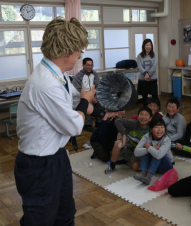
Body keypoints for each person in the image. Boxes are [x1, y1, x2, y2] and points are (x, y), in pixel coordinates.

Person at [14, 17, 116, 225]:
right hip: (38, 163)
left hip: (57, 157)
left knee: (65, 214)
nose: (80, 55)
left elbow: (76, 104)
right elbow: (74, 125)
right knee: (40, 220)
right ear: (68, 51)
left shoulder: (60, 76)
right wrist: (85, 100)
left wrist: (101, 112)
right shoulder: (45, 83)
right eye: (79, 50)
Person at [109, 106, 152, 171]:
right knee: (118, 143)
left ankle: (125, 162)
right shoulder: (133, 123)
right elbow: (118, 121)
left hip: (136, 153)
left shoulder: (149, 131)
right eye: (141, 114)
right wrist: (123, 136)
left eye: (146, 115)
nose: (143, 117)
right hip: (125, 147)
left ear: (150, 118)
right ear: (137, 116)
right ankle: (112, 165)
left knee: (137, 167)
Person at [134, 117, 174, 185]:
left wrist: (149, 147)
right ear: (151, 129)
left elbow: (158, 156)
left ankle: (148, 177)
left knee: (156, 152)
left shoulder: (166, 139)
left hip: (166, 166)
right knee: (146, 151)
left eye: (162, 127)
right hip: (153, 166)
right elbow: (136, 152)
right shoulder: (147, 136)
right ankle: (143, 175)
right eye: (157, 127)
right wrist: (151, 148)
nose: (160, 130)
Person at [73, 57, 100, 132]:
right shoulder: (78, 76)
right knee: (88, 102)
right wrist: (90, 98)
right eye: (88, 65)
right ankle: (87, 124)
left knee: (100, 101)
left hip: (94, 94)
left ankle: (99, 122)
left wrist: (95, 96)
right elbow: (77, 90)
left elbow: (98, 85)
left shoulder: (94, 74)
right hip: (83, 96)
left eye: (91, 65)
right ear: (83, 65)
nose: (90, 67)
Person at [137, 39, 159, 106]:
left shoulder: (155, 55)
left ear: (151, 46)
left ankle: (158, 111)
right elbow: (140, 66)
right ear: (144, 46)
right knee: (144, 97)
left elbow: (154, 66)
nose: (148, 46)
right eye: (147, 45)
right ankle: (146, 111)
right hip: (143, 80)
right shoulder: (139, 56)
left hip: (152, 79)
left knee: (155, 96)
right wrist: (145, 74)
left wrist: (148, 74)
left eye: (150, 45)